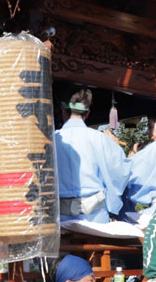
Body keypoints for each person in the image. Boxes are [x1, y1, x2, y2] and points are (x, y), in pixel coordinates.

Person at [55, 89, 129, 224]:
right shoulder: (100, 138)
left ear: (63, 110)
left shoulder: (52, 139)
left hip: (59, 216)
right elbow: (120, 173)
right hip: (95, 216)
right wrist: (116, 147)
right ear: (88, 113)